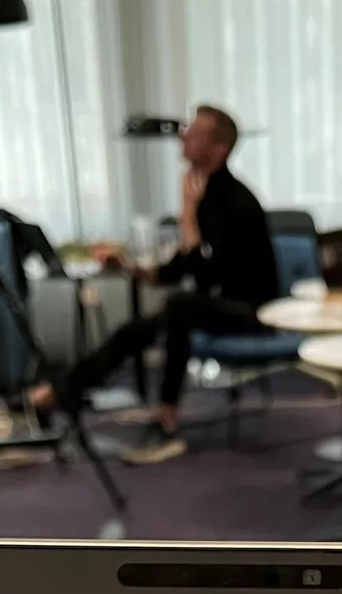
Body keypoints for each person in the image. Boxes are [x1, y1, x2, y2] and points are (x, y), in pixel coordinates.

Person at [58, 106, 279, 464]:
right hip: (212, 306)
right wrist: (126, 265)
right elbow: (173, 271)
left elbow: (206, 275)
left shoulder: (236, 201)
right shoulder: (203, 192)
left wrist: (188, 216)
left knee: (180, 305)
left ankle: (167, 412)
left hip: (253, 311)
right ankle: (63, 390)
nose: (183, 137)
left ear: (219, 150)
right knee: (137, 329)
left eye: (194, 133)